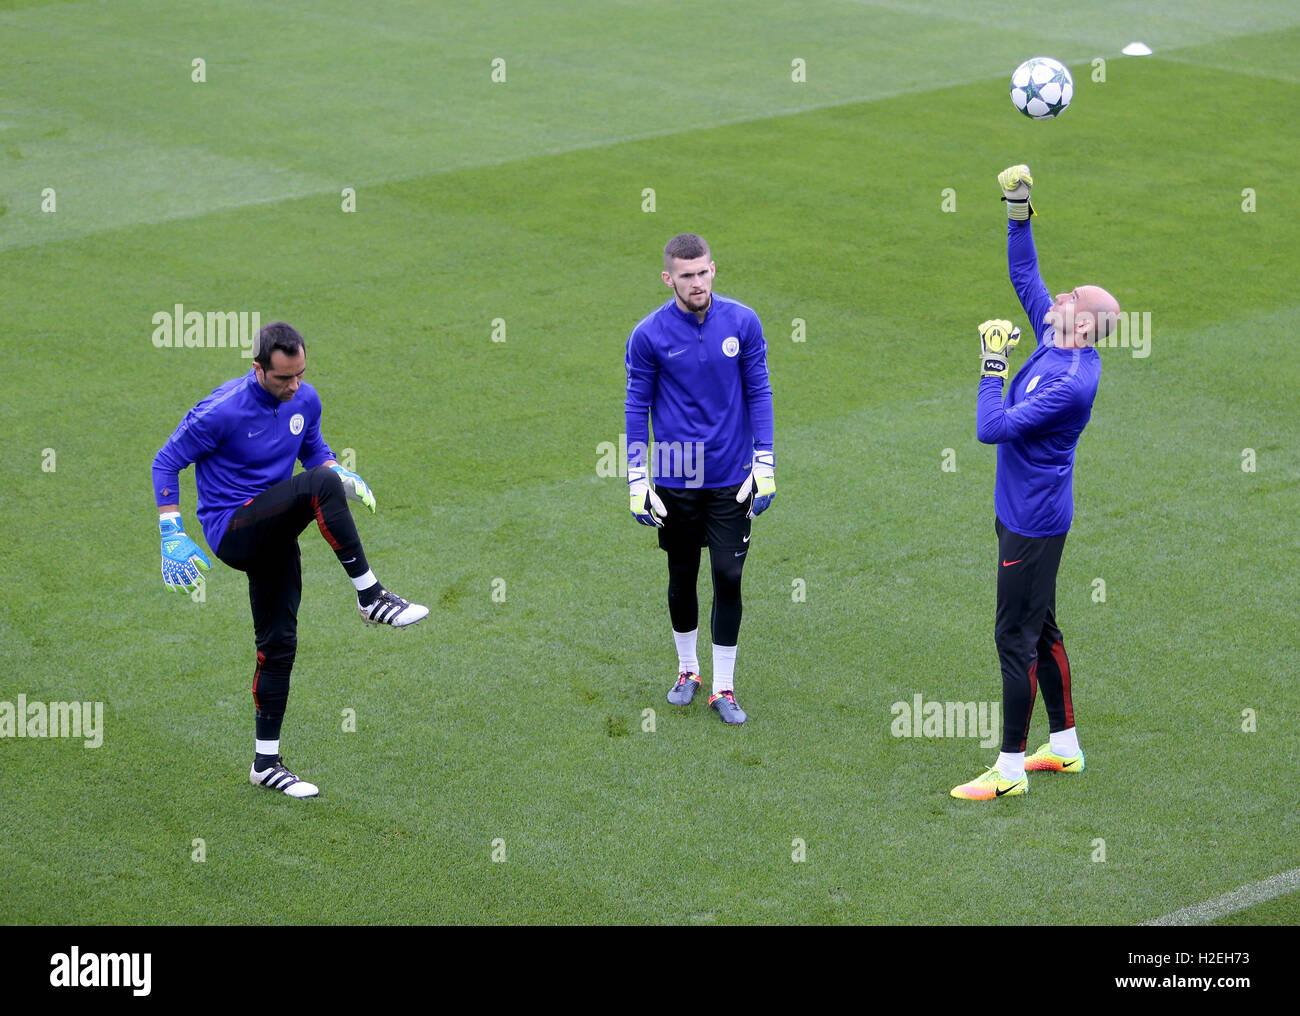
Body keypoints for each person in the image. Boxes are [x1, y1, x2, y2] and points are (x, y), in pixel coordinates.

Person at [152, 322, 428, 798]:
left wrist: (336, 467)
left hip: (274, 530)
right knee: (320, 487)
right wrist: (170, 532)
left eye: (299, 374)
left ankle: (266, 762)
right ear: (257, 368)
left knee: (278, 643)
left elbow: (313, 451)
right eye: (283, 378)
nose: (294, 385)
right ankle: (371, 596)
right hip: (234, 530)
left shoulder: (305, 399)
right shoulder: (219, 412)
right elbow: (165, 461)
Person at [951, 166, 1119, 800]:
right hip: (1022, 509)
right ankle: (1067, 748)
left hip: (1033, 520)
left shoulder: (1069, 381)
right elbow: (1025, 275)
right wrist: (1018, 207)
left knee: (1013, 637)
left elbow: (991, 428)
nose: (1059, 295)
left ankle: (1010, 769)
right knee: (1041, 626)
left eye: (1071, 296)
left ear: (1083, 325)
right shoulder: (1057, 334)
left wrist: (993, 360)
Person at [623, 234, 775, 725]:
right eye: (686, 276)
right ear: (669, 278)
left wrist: (765, 462)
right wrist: (636, 477)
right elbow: (636, 406)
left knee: (728, 577)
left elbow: (760, 391)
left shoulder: (742, 322)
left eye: (703, 272)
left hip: (731, 477)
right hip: (676, 477)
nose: (697, 283)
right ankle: (689, 671)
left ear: (714, 270)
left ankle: (724, 687)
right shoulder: (648, 335)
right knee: (682, 575)